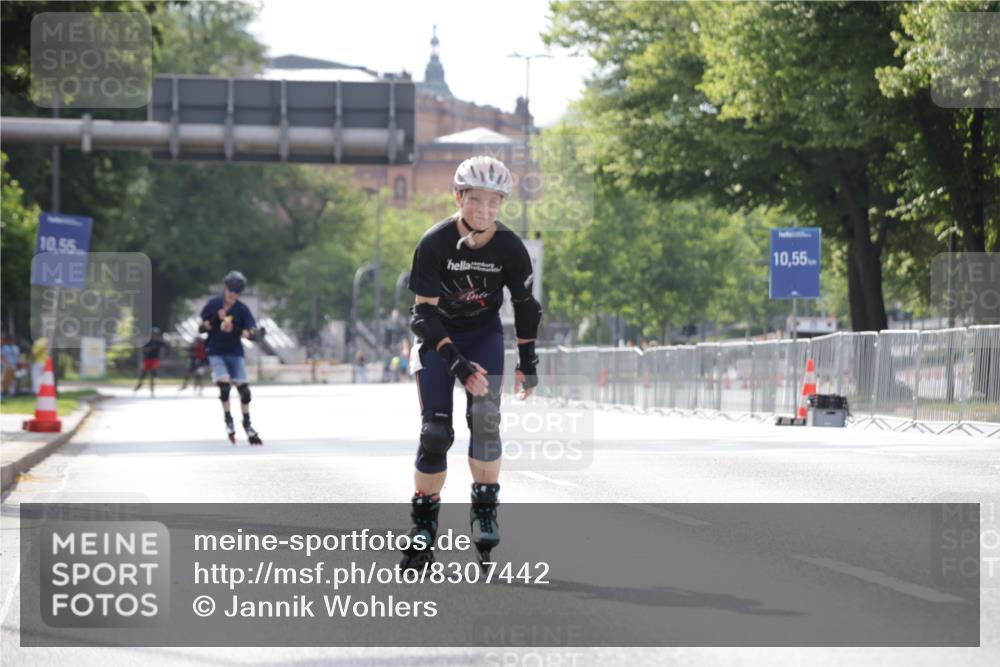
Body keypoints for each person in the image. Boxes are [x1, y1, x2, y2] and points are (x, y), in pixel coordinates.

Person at [400, 155, 542, 570]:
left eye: (494, 201)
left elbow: (526, 306)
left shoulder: (510, 248)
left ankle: (484, 511)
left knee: (485, 423)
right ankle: (423, 525)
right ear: (458, 197)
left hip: (483, 336)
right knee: (435, 432)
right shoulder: (435, 243)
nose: (484, 208)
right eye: (475, 199)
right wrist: (457, 364)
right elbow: (422, 315)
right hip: (439, 339)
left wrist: (528, 362)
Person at [200, 271, 265, 445]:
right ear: (225, 288)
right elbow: (202, 328)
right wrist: (215, 318)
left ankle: (247, 423)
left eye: (236, 291)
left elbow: (250, 332)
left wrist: (241, 330)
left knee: (245, 391)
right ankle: (228, 420)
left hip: (235, 352)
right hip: (216, 351)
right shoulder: (214, 304)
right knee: (225, 386)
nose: (232, 294)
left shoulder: (242, 309)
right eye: (230, 290)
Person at [134, 328, 167, 396]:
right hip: (147, 359)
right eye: (153, 334)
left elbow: (165, 346)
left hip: (155, 360)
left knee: (152, 373)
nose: (154, 336)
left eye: (156, 335)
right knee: (143, 374)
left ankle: (152, 389)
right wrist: (149, 349)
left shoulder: (159, 342)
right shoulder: (148, 341)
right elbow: (144, 349)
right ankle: (139, 385)